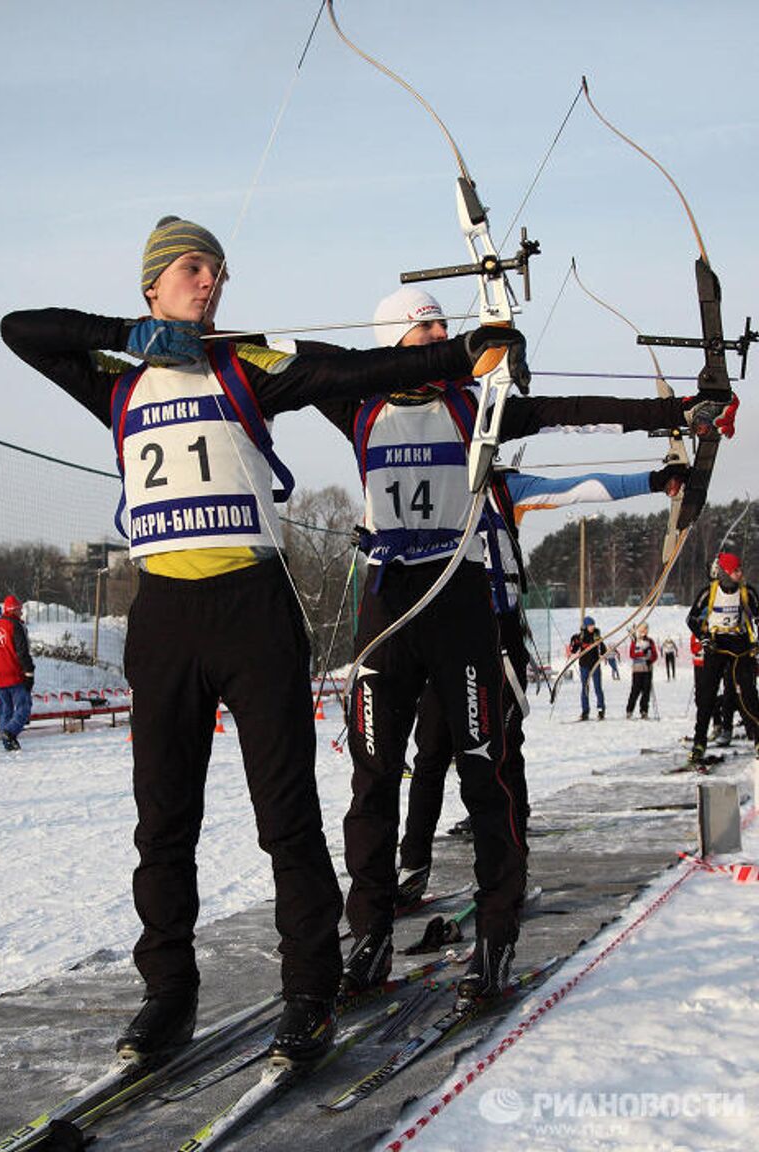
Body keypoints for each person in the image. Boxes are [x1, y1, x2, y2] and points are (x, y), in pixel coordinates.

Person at [0, 217, 523, 1064]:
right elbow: (20, 329)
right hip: (164, 613)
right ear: (155, 284)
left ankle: (310, 990)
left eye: (218, 273)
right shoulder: (118, 379)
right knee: (162, 820)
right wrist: (131, 337)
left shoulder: (246, 364)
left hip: (253, 608)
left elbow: (357, 368)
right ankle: (167, 993)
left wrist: (459, 354)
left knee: (286, 817)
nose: (211, 284)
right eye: (194, 270)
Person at [307, 283, 730, 1002]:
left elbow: (576, 413)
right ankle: (371, 931)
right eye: (424, 327)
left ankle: (496, 935)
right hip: (388, 611)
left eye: (446, 322)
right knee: (374, 780)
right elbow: (305, 362)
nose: (442, 332)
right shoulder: (356, 402)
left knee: (487, 770)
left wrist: (679, 415)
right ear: (390, 342)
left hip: (461, 605)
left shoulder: (480, 408)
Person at [397, 462, 686, 905]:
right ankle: (412, 866)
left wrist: (653, 480)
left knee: (502, 751)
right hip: (445, 635)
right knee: (431, 749)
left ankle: (511, 869)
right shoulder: (428, 482)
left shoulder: (504, 488)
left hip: (496, 632)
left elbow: (580, 487)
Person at [686, 551, 759, 766]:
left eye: (740, 569)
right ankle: (700, 742)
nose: (740, 573)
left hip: (739, 644)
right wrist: (704, 637)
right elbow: (691, 619)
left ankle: (757, 737)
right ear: (726, 572)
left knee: (747, 693)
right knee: (706, 697)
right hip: (716, 644)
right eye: (736, 570)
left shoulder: (747, 592)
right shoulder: (710, 592)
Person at [0, 596, 35, 751]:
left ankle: (7, 742)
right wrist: (29, 673)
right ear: (13, 610)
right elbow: (22, 651)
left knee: (5, 710)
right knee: (24, 707)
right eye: (19, 609)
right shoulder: (16, 626)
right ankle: (10, 732)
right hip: (14, 674)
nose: (21, 613)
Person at [570, 617, 607, 720]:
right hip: (584, 665)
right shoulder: (580, 637)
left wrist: (604, 653)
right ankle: (585, 711)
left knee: (598, 688)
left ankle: (601, 710)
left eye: (593, 625)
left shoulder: (596, 636)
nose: (592, 627)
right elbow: (574, 650)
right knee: (585, 688)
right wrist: (574, 642)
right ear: (586, 626)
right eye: (590, 625)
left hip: (595, 664)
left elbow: (603, 649)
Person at [626, 622, 658, 718]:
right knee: (635, 691)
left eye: (645, 629)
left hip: (647, 670)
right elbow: (632, 654)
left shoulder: (650, 641)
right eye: (642, 630)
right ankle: (629, 710)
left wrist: (650, 660)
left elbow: (655, 655)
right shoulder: (635, 641)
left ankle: (644, 711)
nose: (644, 631)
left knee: (646, 691)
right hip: (637, 670)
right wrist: (642, 653)